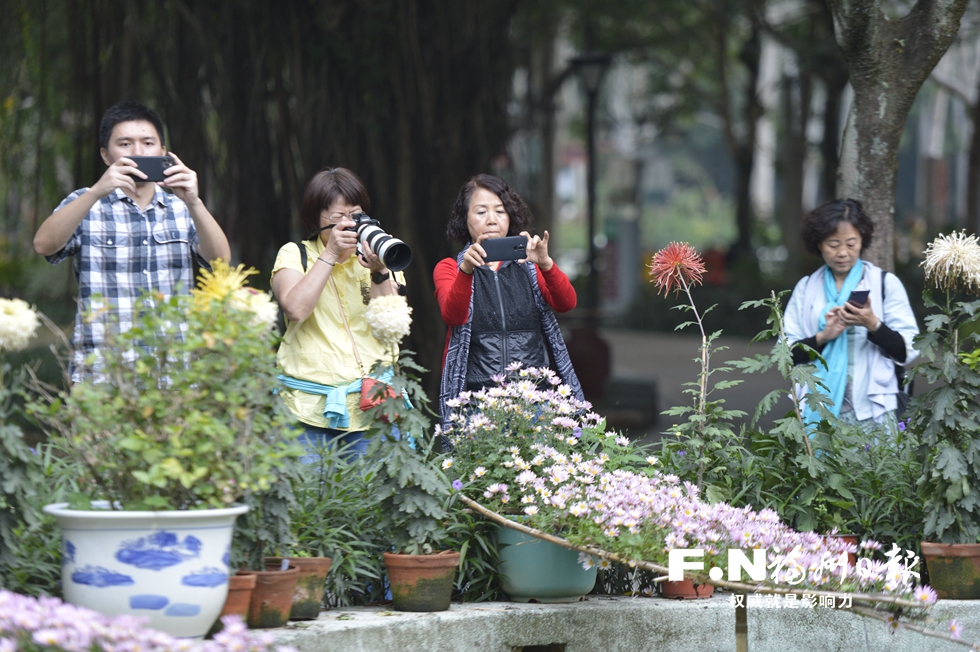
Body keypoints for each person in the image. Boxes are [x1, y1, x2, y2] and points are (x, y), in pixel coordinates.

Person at [33, 101, 230, 381]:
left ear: (163, 152)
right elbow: (44, 245)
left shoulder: (183, 208)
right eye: (124, 144)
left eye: (148, 143)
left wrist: (194, 201)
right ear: (105, 155)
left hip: (172, 373)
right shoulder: (85, 203)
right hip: (101, 373)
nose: (138, 152)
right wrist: (96, 192)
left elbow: (221, 263)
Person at [271, 168, 404, 459]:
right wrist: (329, 255)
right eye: (337, 217)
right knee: (307, 503)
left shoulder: (380, 254)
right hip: (306, 411)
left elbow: (393, 329)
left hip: (373, 407)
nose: (347, 224)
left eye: (355, 215)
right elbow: (295, 309)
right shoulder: (295, 254)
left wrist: (380, 271)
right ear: (315, 218)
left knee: (372, 503)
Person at [435, 174, 583, 425]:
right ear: (465, 219)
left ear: (510, 216)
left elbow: (566, 303)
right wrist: (467, 270)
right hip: (477, 404)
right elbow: (453, 315)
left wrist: (546, 264)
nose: (492, 220)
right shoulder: (449, 268)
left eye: (500, 211)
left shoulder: (531, 267)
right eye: (481, 212)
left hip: (533, 401)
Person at [785, 198, 919, 428]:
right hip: (817, 407)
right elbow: (786, 355)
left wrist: (873, 323)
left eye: (851, 243)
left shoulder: (885, 284)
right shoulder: (806, 288)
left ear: (862, 241)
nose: (843, 253)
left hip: (874, 409)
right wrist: (823, 337)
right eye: (833, 244)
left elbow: (908, 350)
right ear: (818, 244)